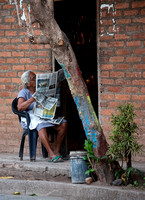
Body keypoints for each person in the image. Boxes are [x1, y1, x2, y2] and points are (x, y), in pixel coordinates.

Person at [17, 70, 67, 162]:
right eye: (33, 78)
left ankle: (56, 151)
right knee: (41, 126)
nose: (36, 79)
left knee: (63, 124)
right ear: (27, 84)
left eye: (36, 77)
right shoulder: (24, 92)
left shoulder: (40, 89)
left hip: (44, 114)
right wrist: (32, 99)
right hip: (31, 117)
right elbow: (20, 107)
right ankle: (51, 154)